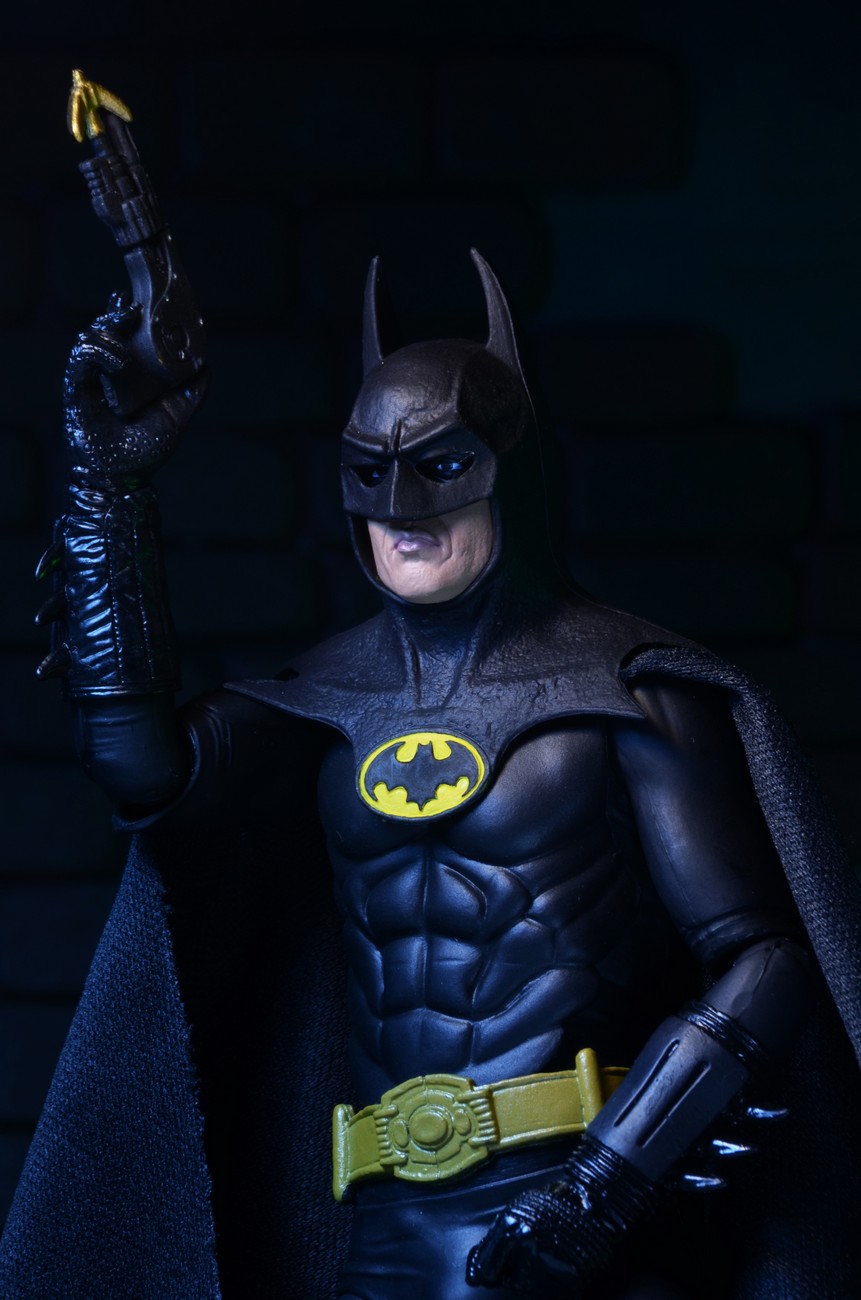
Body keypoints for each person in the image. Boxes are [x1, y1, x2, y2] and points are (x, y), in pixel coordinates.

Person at [2, 252, 859, 1300]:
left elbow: (764, 957)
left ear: (513, 469)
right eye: (371, 471)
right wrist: (107, 482)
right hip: (383, 1225)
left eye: (442, 465)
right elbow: (142, 771)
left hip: (579, 1216)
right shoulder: (322, 700)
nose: (402, 508)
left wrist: (607, 1184)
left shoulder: (627, 688)